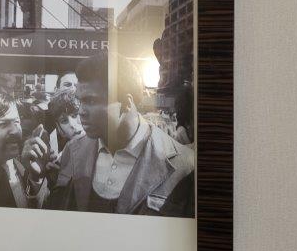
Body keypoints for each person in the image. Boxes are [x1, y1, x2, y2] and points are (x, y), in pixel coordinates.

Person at [45, 52, 194, 217]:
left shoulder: (184, 165)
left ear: (126, 103)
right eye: (80, 101)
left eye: (91, 101)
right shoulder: (72, 150)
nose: (81, 111)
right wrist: (38, 181)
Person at [47, 88, 85, 158]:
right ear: (60, 129)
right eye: (64, 121)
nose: (72, 125)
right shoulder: (62, 159)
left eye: (75, 115)